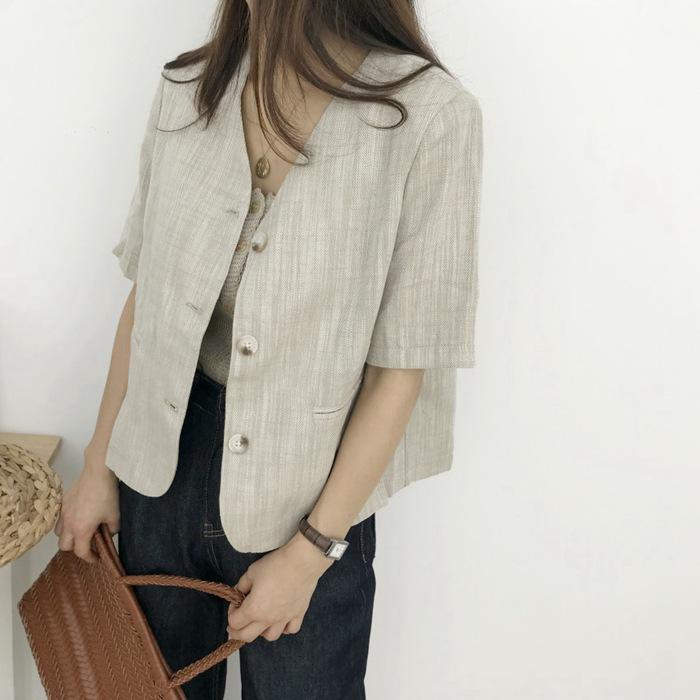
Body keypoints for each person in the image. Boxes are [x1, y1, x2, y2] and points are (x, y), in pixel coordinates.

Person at [54, 1, 483, 697]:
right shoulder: (189, 89)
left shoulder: (428, 116)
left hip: (312, 495)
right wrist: (100, 465)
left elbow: (399, 371)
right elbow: (146, 304)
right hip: (160, 474)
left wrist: (311, 554)